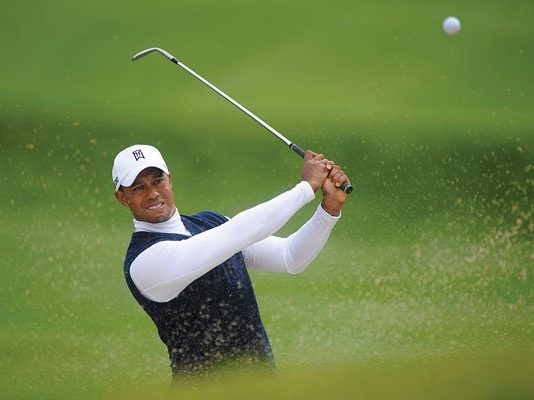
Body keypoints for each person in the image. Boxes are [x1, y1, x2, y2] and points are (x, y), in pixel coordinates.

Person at [112, 144, 349, 379]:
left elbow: (290, 257)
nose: (152, 193)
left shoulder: (212, 222)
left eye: (157, 181)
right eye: (138, 187)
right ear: (122, 197)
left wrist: (328, 210)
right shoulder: (144, 261)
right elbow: (239, 232)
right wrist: (305, 189)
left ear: (169, 180)